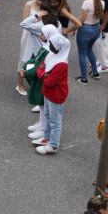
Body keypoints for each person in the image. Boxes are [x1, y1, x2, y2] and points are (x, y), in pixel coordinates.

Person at [34, 24, 70, 154]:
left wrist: (42, 74)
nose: (50, 46)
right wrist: (44, 74)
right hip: (48, 93)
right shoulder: (52, 56)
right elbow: (40, 68)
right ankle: (46, 138)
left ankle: (53, 145)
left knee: (55, 121)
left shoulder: (61, 65)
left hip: (56, 95)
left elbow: (49, 81)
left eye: (52, 45)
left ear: (58, 47)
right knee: (48, 116)